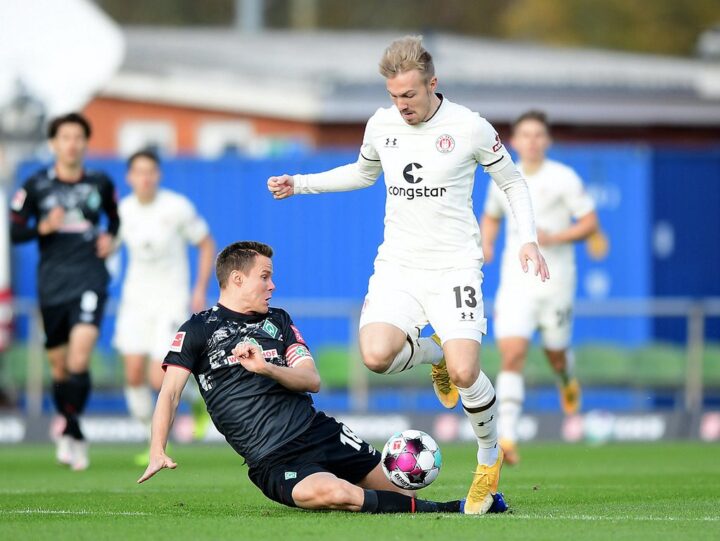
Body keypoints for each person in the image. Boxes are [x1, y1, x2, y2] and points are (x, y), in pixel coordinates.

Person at [267, 36, 549, 514]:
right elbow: (362, 173)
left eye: (410, 96)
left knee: (466, 372)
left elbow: (513, 182)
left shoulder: (470, 127)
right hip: (397, 266)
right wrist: (302, 184)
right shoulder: (381, 123)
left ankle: (487, 458)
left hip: (454, 266)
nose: (401, 106)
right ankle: (432, 352)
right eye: (394, 96)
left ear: (432, 84)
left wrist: (528, 238)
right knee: (376, 356)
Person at [137, 241, 468, 514]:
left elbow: (311, 380)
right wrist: (157, 448)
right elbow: (169, 394)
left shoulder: (278, 321)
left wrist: (267, 367)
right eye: (264, 277)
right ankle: (449, 509)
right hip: (273, 459)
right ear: (237, 279)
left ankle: (444, 505)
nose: (273, 285)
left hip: (319, 432)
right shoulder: (198, 330)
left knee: (398, 487)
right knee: (341, 494)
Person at [480, 110, 599, 465]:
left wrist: (555, 236)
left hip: (556, 283)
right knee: (512, 355)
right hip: (516, 284)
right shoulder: (502, 176)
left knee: (554, 354)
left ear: (547, 140)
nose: (532, 141)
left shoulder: (563, 178)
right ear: (513, 141)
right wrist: (487, 243)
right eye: (525, 135)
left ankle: (566, 377)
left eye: (538, 135)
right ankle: (508, 438)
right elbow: (491, 215)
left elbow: (590, 223)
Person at [10, 112, 119, 470]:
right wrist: (42, 226)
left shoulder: (100, 182)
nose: (71, 143)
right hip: (52, 283)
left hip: (89, 277)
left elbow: (115, 220)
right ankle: (71, 426)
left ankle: (73, 432)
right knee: (59, 368)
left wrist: (110, 240)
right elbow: (14, 230)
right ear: (54, 144)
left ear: (85, 142)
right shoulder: (36, 184)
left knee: (79, 356)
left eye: (78, 137)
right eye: (65, 137)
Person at [114, 150, 215, 462]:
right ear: (129, 177)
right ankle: (152, 439)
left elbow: (206, 243)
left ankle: (198, 402)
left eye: (150, 171)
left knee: (160, 378)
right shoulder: (122, 211)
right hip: (134, 301)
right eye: (138, 172)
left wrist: (199, 289)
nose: (145, 178)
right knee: (133, 376)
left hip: (170, 300)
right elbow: (107, 248)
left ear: (158, 175)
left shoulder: (177, 207)